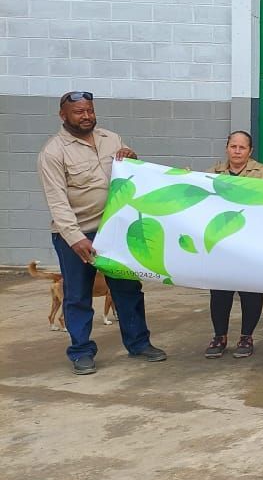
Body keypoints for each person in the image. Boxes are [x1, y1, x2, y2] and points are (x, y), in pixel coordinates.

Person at [36, 90, 167, 375]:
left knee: (127, 289)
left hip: (114, 230)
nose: (87, 116)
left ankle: (138, 343)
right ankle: (81, 352)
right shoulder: (53, 152)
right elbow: (57, 202)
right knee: (78, 294)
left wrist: (131, 156)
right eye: (79, 112)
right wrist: (76, 239)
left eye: (90, 111)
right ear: (63, 115)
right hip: (77, 234)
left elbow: (131, 172)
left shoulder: (112, 138)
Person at [203, 131, 263, 359]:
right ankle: (219, 336)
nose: (237, 151)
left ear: (250, 151)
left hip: (251, 244)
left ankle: (246, 336)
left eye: (242, 148)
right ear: (227, 148)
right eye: (233, 146)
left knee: (250, 291)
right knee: (220, 292)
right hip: (221, 244)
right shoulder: (210, 174)